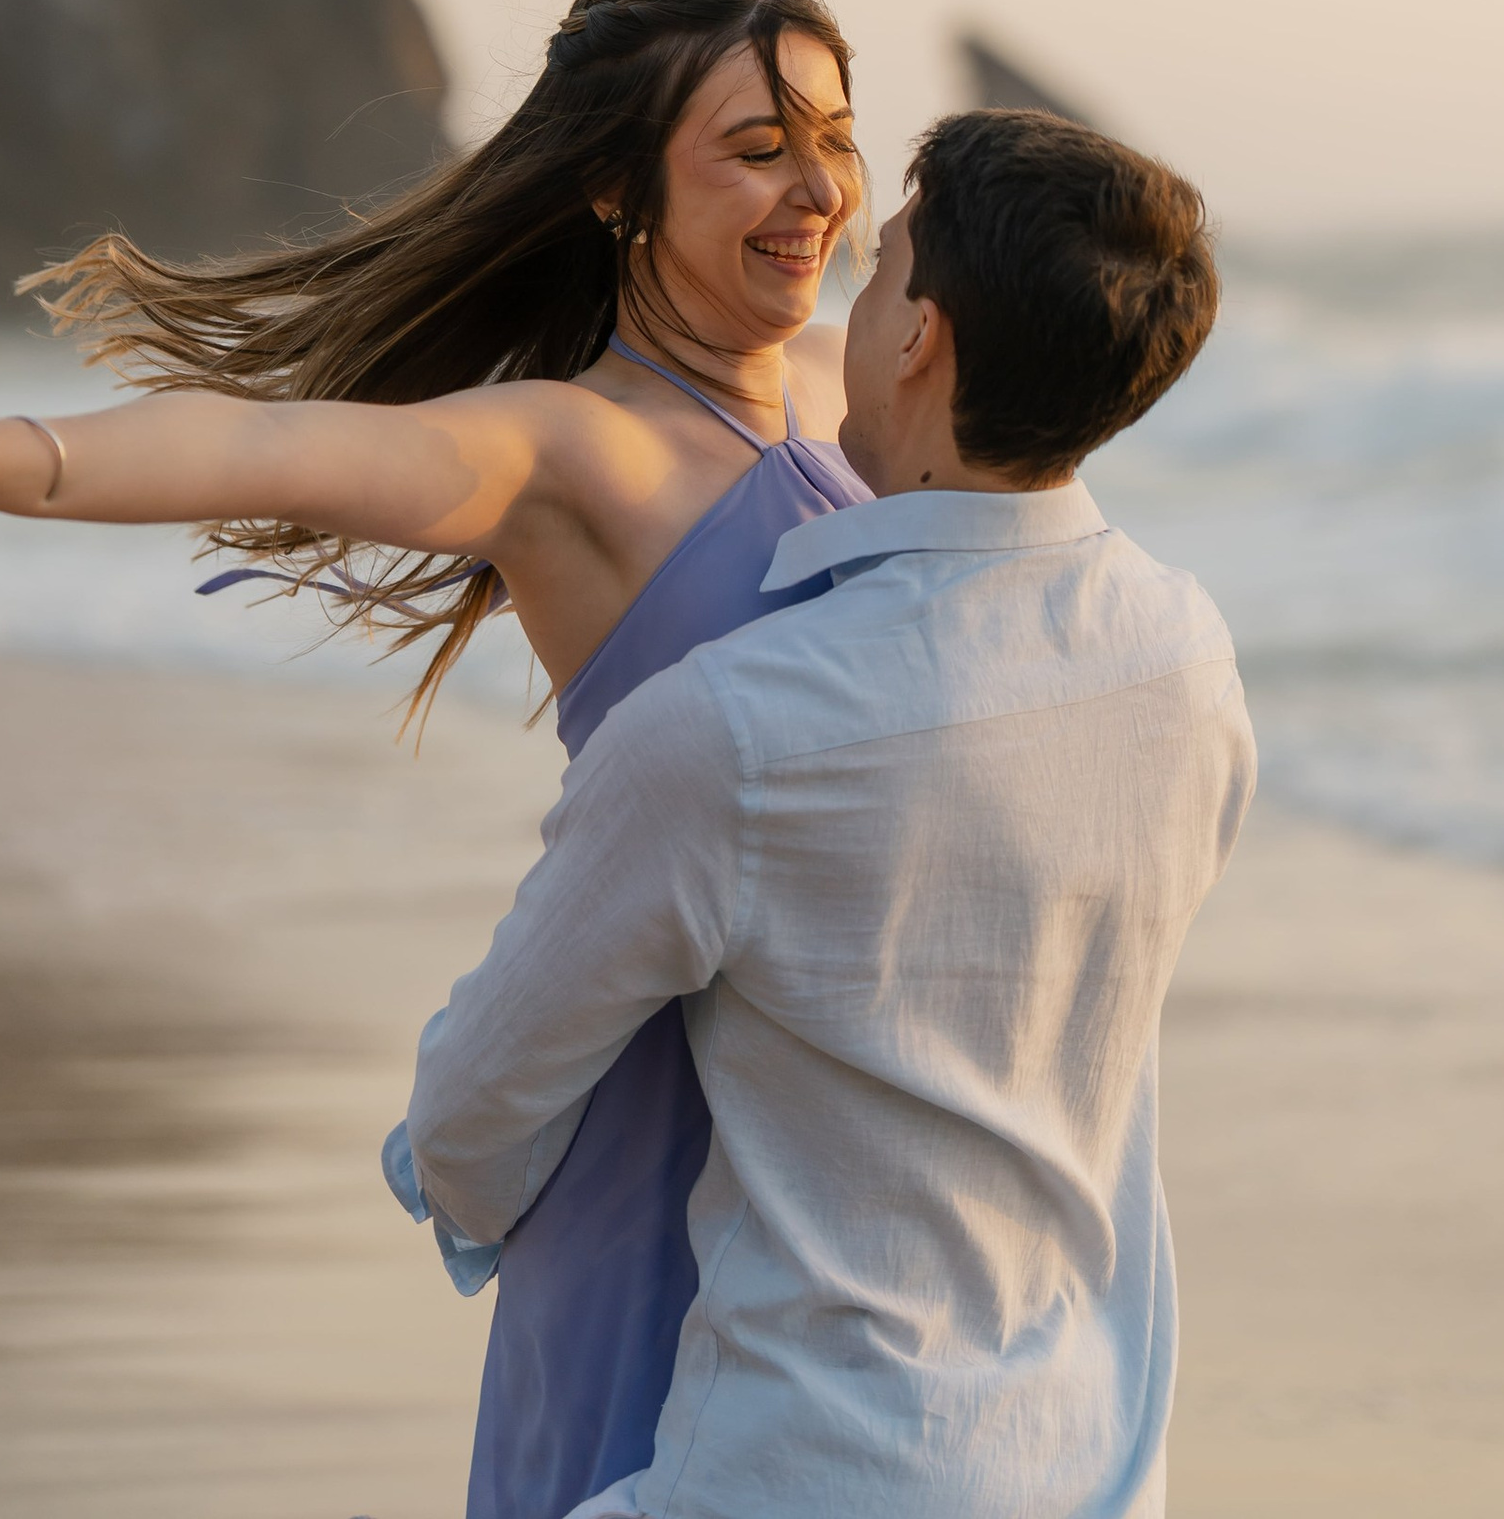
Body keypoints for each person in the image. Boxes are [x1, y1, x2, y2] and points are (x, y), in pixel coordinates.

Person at [0, 0, 871, 1519]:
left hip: (842, 1081)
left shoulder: (861, 390)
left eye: (834, 136)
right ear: (616, 188)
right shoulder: (577, 453)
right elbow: (269, 445)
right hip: (668, 1091)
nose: (816, 188)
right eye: (757, 147)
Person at [401, 103, 1251, 1519]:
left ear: (921, 333)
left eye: (880, 267)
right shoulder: (1189, 656)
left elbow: (467, 1120)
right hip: (1098, 1476)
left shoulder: (738, 723)